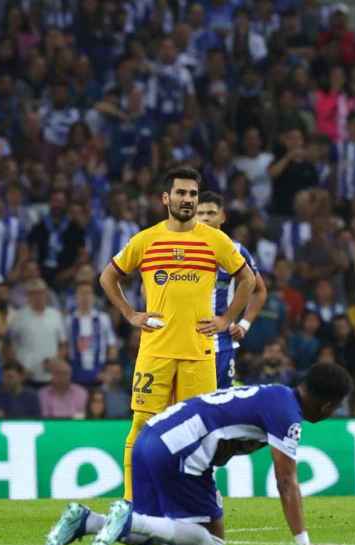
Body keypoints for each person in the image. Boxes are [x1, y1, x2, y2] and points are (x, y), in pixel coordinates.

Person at [43, 362, 353, 545]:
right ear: (328, 406)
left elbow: (222, 449)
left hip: (149, 436)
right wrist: (303, 541)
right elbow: (286, 481)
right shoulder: (287, 415)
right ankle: (128, 518)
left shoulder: (274, 394)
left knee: (164, 540)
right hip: (179, 449)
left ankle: (88, 521)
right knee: (212, 541)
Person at [99, 166, 257, 502]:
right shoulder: (146, 239)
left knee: (201, 433)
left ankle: (192, 502)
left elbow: (248, 280)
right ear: (165, 198)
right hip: (155, 349)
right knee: (142, 426)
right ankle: (131, 503)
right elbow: (107, 277)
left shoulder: (216, 240)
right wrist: (130, 313)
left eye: (193, 194)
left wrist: (227, 317)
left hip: (200, 351)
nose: (187, 199)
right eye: (181, 193)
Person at [196, 191, 269, 389]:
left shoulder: (236, 251)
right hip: (185, 342)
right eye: (200, 213)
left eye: (211, 213)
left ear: (223, 216)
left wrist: (243, 324)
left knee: (220, 405)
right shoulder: (180, 250)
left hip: (221, 343)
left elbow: (259, 290)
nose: (205, 218)